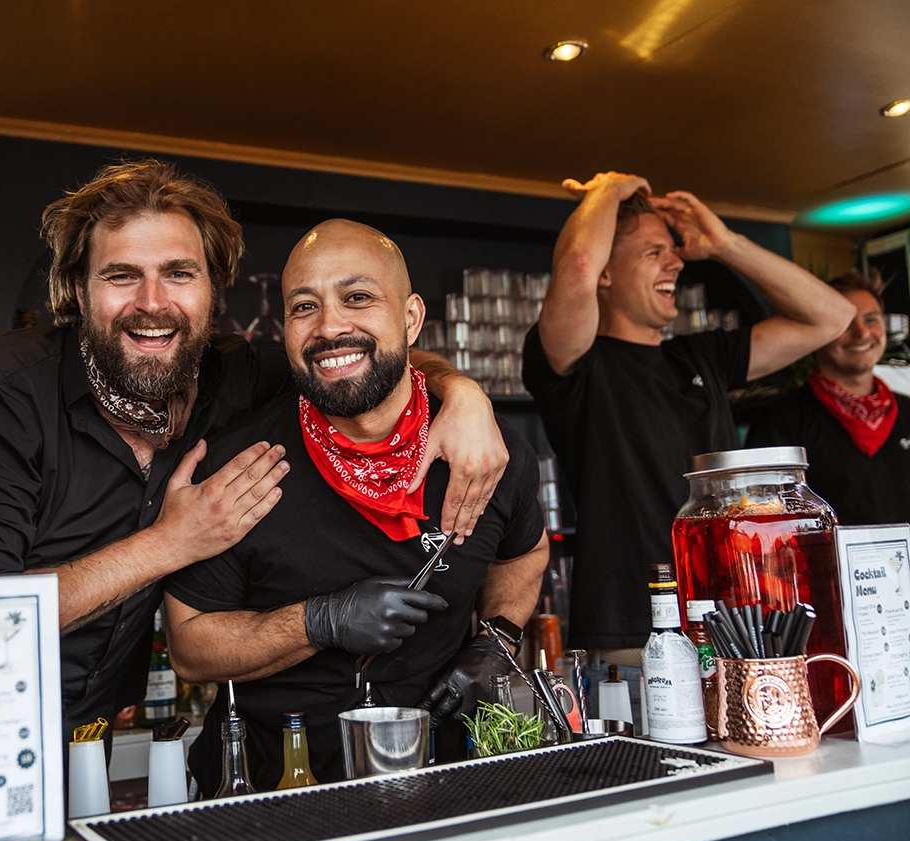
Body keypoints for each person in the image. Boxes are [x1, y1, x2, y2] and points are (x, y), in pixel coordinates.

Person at [0, 161, 511, 744]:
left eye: (179, 274)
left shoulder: (234, 375)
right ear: (79, 294)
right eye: (121, 276)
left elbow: (350, 356)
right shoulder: (0, 397)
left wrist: (464, 395)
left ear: (212, 291)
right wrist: (172, 541)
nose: (152, 302)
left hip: (90, 725)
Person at [165, 220, 547, 793]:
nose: (330, 328)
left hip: (444, 783)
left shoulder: (486, 454)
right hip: (270, 793)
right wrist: (321, 621)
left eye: (358, 297)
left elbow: (526, 553)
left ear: (411, 318)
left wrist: (497, 638)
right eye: (304, 307)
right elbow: (190, 648)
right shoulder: (239, 466)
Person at [521, 172, 855, 706]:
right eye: (654, 252)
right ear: (606, 274)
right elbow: (578, 265)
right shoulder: (577, 367)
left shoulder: (701, 357)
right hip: (638, 644)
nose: (675, 262)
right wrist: (608, 189)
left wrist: (725, 244)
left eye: (673, 251)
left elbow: (832, 317)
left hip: (738, 633)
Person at [747, 272, 910, 524]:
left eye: (871, 320)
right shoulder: (782, 419)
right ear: (819, 332)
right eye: (845, 323)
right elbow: (765, 514)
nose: (862, 333)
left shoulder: (906, 409)